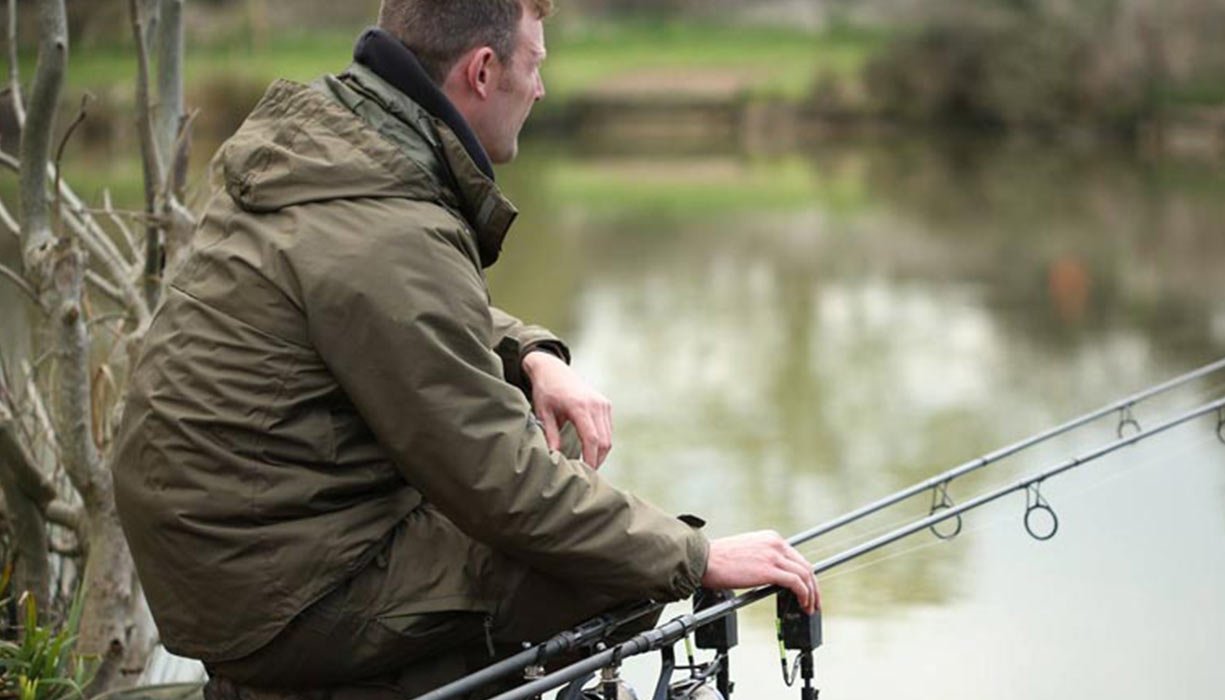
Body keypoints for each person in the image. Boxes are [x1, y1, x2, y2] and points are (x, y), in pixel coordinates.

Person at [109, 0, 818, 695]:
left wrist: (531, 353)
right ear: (482, 71)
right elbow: (503, 484)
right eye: (533, 64)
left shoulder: (330, 148)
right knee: (602, 569)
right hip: (276, 591)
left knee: (558, 461)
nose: (541, 88)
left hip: (222, 556)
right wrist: (696, 555)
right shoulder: (390, 225)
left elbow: (393, 308)